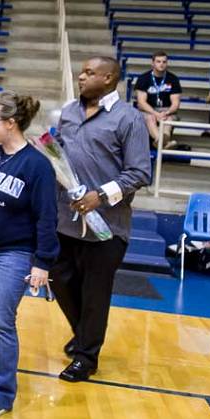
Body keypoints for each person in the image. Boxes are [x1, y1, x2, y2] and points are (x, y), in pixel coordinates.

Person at [49, 57, 151, 383]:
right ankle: (84, 334)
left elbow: (139, 173)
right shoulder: (68, 112)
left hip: (107, 224)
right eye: (82, 71)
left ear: (109, 78)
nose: (81, 76)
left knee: (95, 291)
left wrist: (100, 195)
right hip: (65, 219)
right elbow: (62, 157)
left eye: (90, 72)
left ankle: (86, 357)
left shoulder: (129, 119)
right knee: (60, 280)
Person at [0, 92, 58, 419]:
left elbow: (47, 217)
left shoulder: (38, 165)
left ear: (11, 123)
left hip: (16, 252)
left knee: (0, 320)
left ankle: (1, 392)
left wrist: (43, 263)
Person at [133, 51, 183, 149]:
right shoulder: (143, 78)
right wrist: (156, 114)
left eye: (164, 62)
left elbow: (175, 103)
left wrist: (166, 112)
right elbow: (141, 103)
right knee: (150, 118)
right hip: (148, 110)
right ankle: (163, 142)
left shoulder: (173, 79)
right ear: (153, 63)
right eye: (158, 61)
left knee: (168, 119)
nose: (161, 64)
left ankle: (161, 141)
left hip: (167, 110)